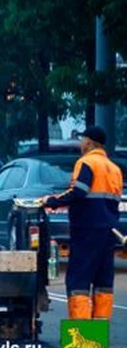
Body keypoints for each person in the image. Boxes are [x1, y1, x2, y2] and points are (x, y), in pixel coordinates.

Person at [43, 126, 123, 320]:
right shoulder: (114, 169)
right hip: (108, 231)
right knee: (103, 282)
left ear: (88, 142)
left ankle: (82, 341)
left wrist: (52, 201)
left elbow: (79, 191)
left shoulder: (86, 162)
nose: (81, 144)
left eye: (82, 140)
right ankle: (97, 337)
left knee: (78, 281)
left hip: (87, 230)